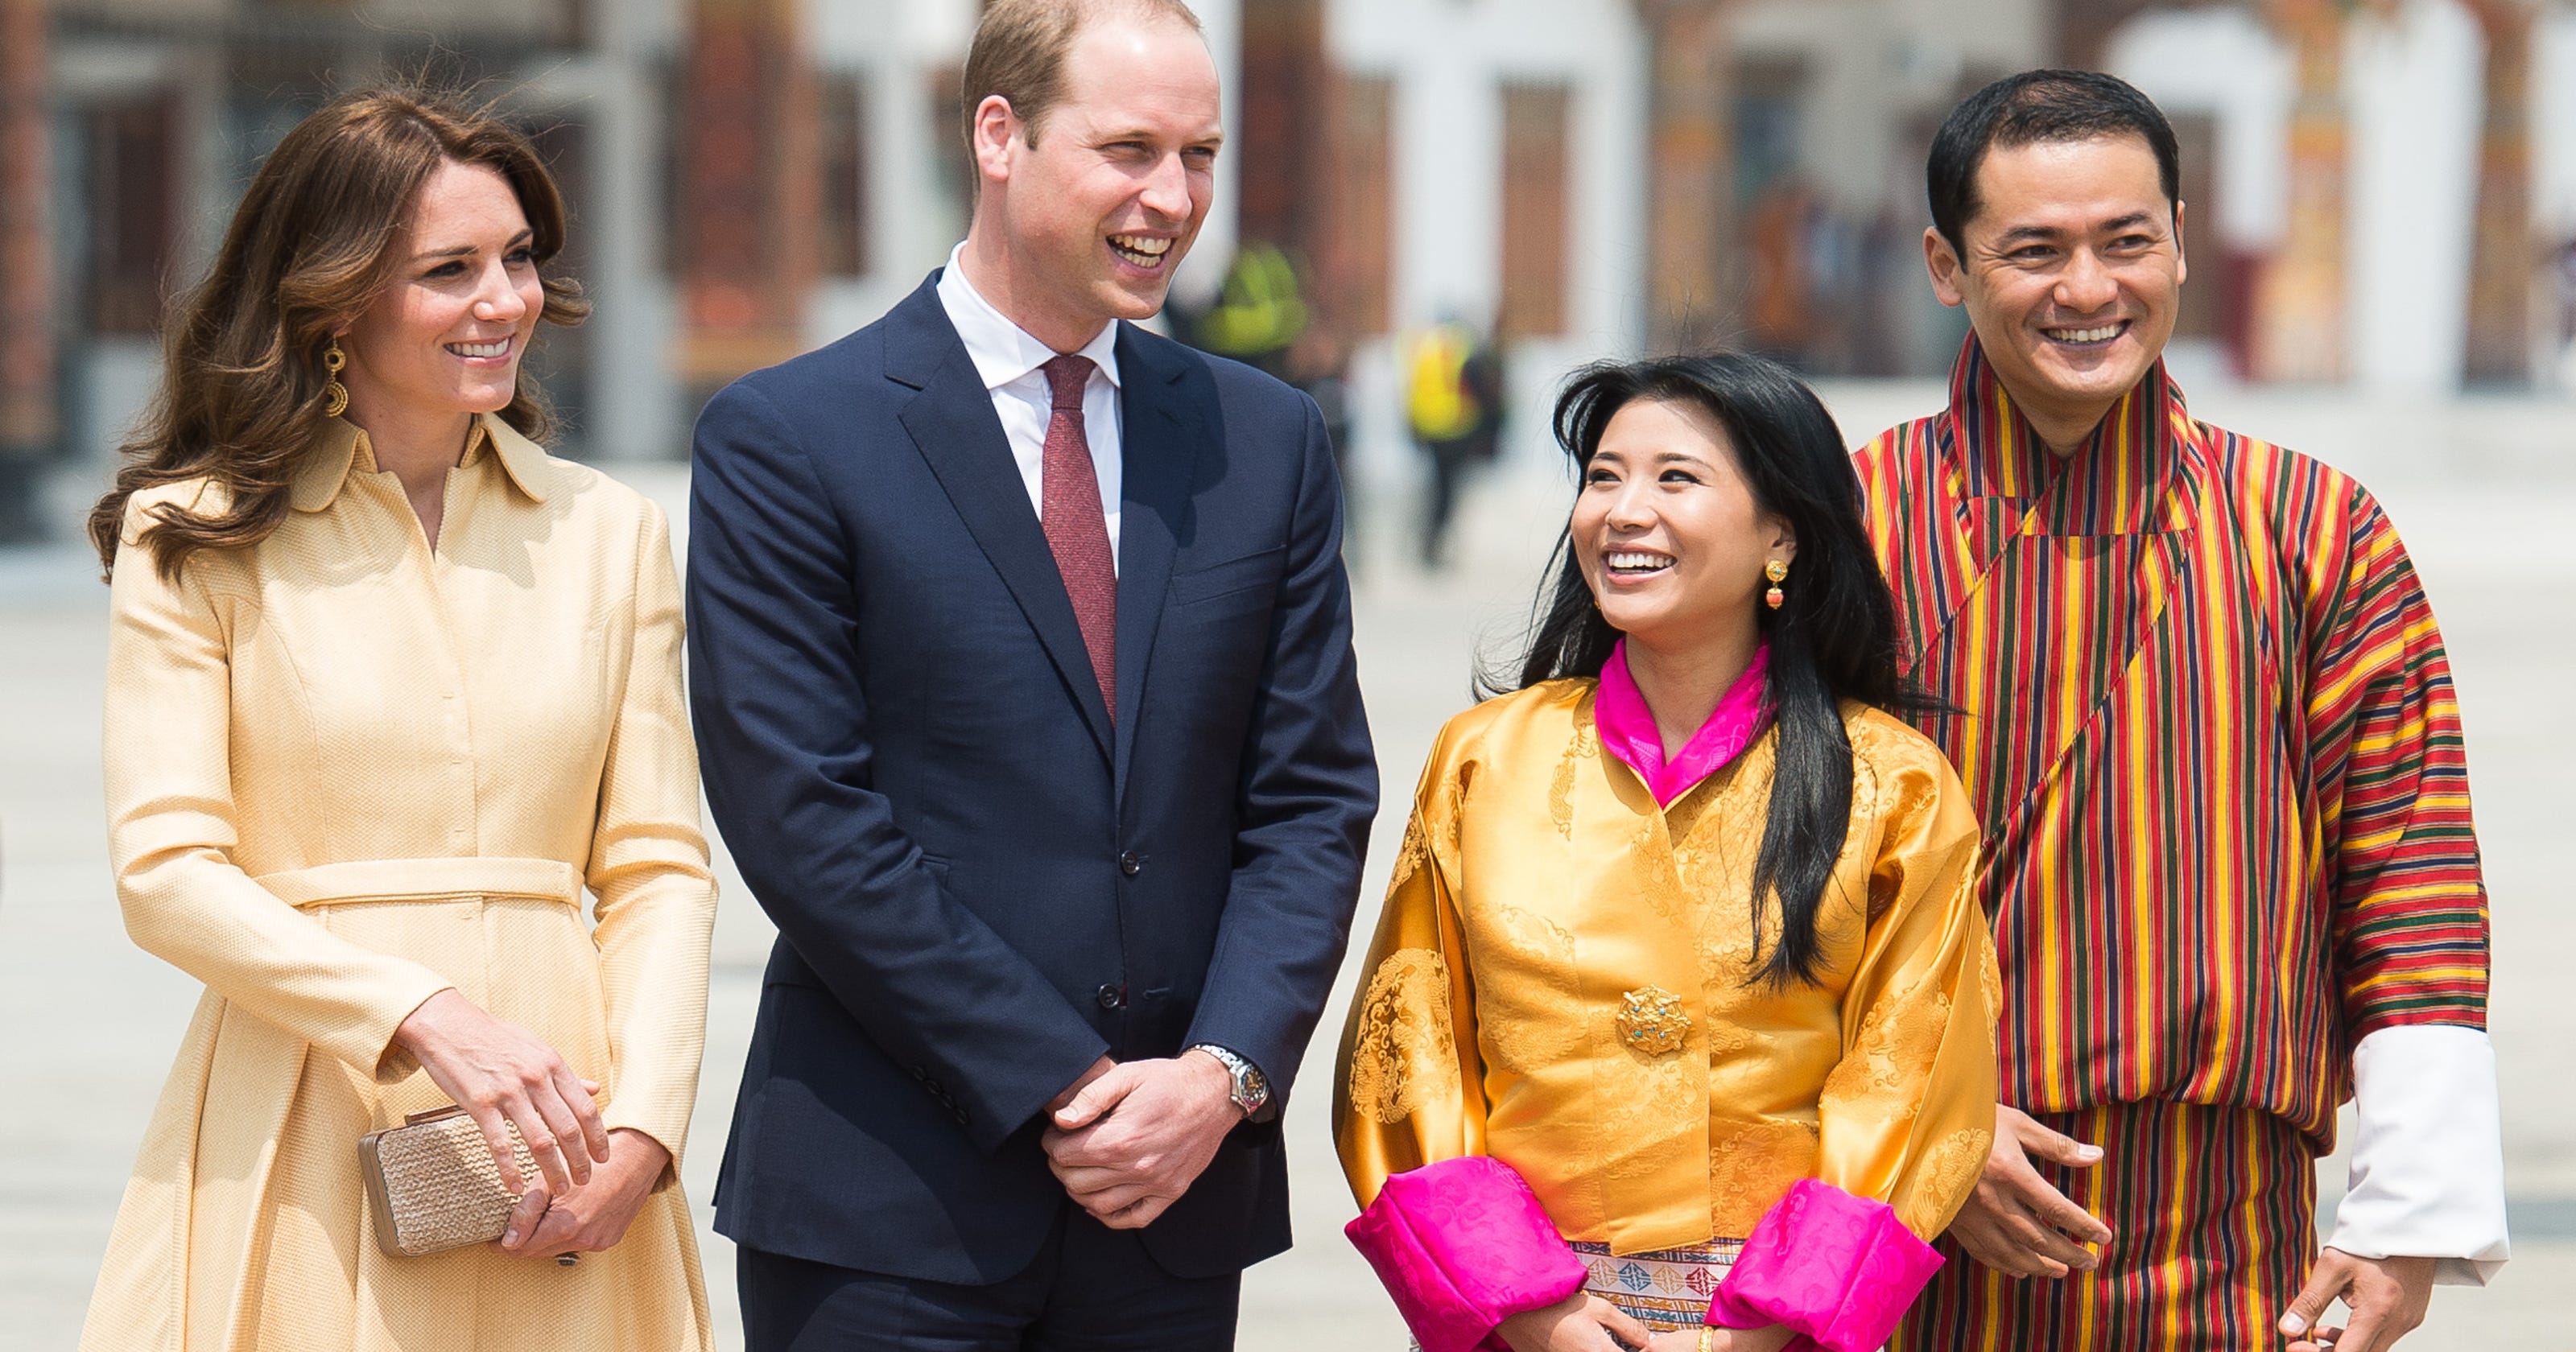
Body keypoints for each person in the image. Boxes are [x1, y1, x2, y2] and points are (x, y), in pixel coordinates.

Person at [683, 1, 1378, 1348]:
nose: (1172, 200)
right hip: (888, 1210)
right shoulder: (790, 437)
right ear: (998, 134)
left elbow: (1310, 802)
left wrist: (1225, 1076)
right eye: (1128, 150)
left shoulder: (1263, 440)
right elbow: (803, 817)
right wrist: (1061, 1079)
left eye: (1200, 155)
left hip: (1169, 1204)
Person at [1857, 70, 2508, 1352]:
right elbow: (1729, 874)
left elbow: (2410, 866)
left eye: (2127, 241)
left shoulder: (2315, 528)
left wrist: (2405, 1212)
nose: (2089, 290)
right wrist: (1916, 1122)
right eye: (2033, 250)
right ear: (1946, 264)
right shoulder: (1839, 525)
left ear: (2182, 241)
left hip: (2223, 1240)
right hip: (1891, 1233)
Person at [79, 87, 716, 1352]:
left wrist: (644, 1127)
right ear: (334, 299)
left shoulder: (611, 533)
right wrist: (424, 1015)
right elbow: (165, 873)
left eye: (520, 257)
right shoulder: (195, 536)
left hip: (568, 1130)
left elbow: (658, 869)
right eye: (450, 270)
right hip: (306, 1106)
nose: (507, 300)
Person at [1334, 352, 1999, 1352]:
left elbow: (1913, 1077)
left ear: (1782, 531)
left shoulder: (1891, 783)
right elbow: (1405, 1049)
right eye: (1603, 476)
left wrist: (1758, 1329)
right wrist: (1535, 1312)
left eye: (1673, 478)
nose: (1623, 510)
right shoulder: (1484, 759)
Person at [1407, 315, 1505, 568]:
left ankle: (1430, 540)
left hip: (1431, 427)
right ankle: (1435, 541)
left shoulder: (1425, 347)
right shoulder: (1464, 346)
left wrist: (1414, 427)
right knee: (1447, 491)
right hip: (1458, 426)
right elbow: (1475, 384)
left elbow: (1415, 388)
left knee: (1439, 488)